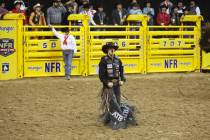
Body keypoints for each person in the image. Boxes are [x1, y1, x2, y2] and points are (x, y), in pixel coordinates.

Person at [99, 42, 136, 130]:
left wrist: (122, 79)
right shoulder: (103, 60)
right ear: (107, 50)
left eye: (113, 48)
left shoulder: (118, 60)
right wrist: (107, 83)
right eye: (110, 48)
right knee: (113, 102)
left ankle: (109, 118)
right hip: (108, 86)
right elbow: (101, 75)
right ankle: (117, 120)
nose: (112, 49)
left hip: (117, 85)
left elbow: (122, 71)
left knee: (117, 102)